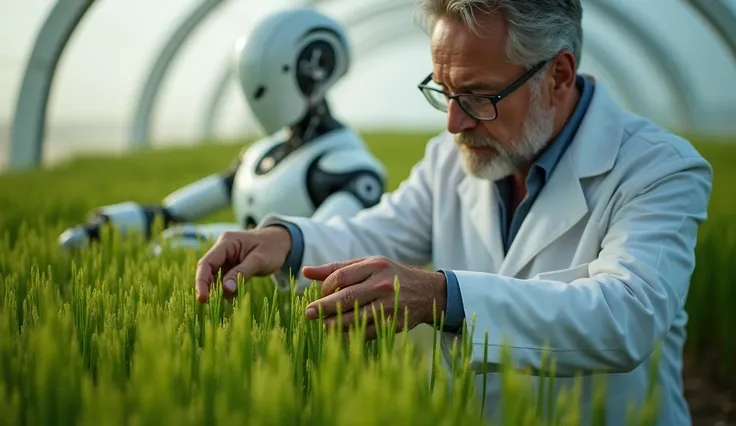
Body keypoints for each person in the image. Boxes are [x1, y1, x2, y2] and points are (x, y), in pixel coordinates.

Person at [194, 1, 713, 425]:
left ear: (558, 74)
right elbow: (381, 231)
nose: (453, 123)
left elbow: (628, 315)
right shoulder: (451, 159)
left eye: (479, 95)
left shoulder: (657, 169)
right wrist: (287, 241)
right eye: (443, 90)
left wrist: (444, 296)